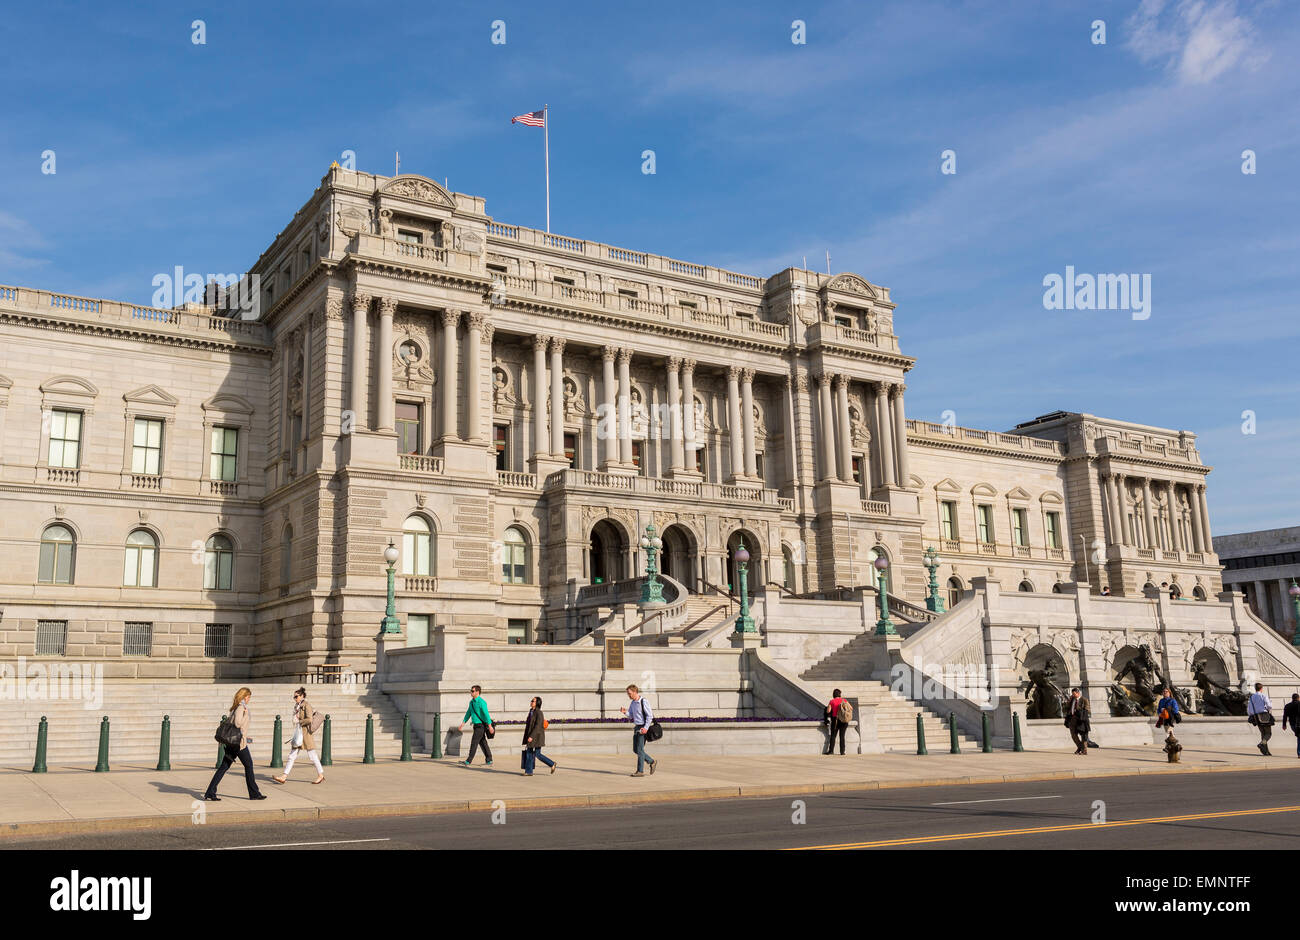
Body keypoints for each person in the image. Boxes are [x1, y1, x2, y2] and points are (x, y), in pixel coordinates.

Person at [204, 687, 267, 801]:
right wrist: (245, 715)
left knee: (224, 767)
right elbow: (238, 724)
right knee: (249, 766)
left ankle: (210, 792)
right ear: (245, 696)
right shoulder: (241, 707)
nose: (249, 700)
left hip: (233, 743)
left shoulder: (235, 707)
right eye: (248, 697)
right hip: (239, 744)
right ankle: (254, 793)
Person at [272, 687, 324, 785]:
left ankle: (320, 775)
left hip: (306, 734)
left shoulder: (306, 705)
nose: (295, 698)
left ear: (302, 696)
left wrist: (299, 721)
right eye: (294, 697)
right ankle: (284, 776)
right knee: (292, 755)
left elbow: (309, 719)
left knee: (312, 756)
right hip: (299, 733)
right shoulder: (297, 706)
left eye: (296, 696)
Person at [619, 684, 658, 776]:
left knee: (640, 749)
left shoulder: (644, 701)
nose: (629, 695)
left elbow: (650, 716)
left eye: (630, 693)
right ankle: (651, 761)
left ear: (635, 692)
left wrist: (645, 728)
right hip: (637, 727)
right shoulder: (633, 703)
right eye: (628, 694)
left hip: (643, 727)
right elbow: (631, 715)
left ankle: (640, 771)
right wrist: (625, 712)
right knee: (635, 749)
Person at [521, 696, 557, 776]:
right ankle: (529, 771)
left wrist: (531, 736)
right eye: (531, 701)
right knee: (529, 753)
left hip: (537, 737)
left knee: (537, 754)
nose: (531, 702)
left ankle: (552, 763)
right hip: (530, 736)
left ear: (537, 703)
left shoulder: (539, 712)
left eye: (533, 701)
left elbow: (538, 726)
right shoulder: (531, 711)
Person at [459, 685, 494, 766]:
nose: (471, 692)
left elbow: (486, 715)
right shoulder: (471, 702)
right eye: (471, 691)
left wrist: (490, 726)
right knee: (483, 743)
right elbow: (468, 713)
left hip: (481, 726)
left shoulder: (482, 702)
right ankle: (489, 760)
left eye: (472, 691)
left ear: (477, 692)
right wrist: (463, 723)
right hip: (476, 726)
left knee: (474, 742)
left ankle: (468, 761)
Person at [1247, 682, 1274, 756]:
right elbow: (1269, 705)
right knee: (1268, 733)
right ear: (1261, 688)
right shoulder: (1263, 695)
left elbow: (1250, 709)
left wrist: (1252, 715)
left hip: (1256, 716)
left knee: (1263, 733)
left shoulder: (1252, 697)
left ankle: (1265, 751)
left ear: (1255, 688)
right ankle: (1262, 744)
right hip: (1264, 715)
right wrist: (1268, 708)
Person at [1065, 687, 1090, 756]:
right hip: (1072, 720)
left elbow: (1087, 710)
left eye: (1074, 694)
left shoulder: (1084, 700)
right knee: (1073, 735)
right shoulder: (1072, 699)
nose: (1073, 695)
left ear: (1078, 693)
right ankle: (1080, 747)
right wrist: (1069, 701)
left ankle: (1084, 751)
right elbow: (1066, 708)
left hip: (1081, 720)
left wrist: (1079, 711)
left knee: (1083, 735)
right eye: (1072, 694)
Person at [824, 688, 849, 755]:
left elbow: (828, 711)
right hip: (844, 720)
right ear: (840, 694)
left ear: (833, 694)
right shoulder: (844, 700)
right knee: (842, 736)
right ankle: (842, 752)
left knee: (833, 736)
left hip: (836, 720)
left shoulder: (832, 701)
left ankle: (831, 751)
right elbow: (851, 708)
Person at [1282, 693, 1300, 758]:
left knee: (1299, 737)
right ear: (1298, 698)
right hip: (1299, 724)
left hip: (1292, 724)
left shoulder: (1287, 706)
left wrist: (1284, 725)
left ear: (1292, 698)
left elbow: (1285, 716)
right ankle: (1299, 753)